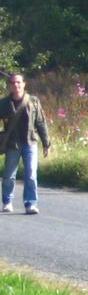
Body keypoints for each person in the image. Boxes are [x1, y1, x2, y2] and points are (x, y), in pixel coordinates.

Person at [1, 72, 51, 215]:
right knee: (9, 176)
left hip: (30, 143)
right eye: (12, 83)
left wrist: (46, 143)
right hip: (12, 144)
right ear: (9, 86)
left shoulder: (33, 101)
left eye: (18, 82)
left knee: (31, 174)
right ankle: (7, 201)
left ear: (24, 84)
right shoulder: (4, 103)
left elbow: (41, 123)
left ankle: (30, 204)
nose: (16, 85)